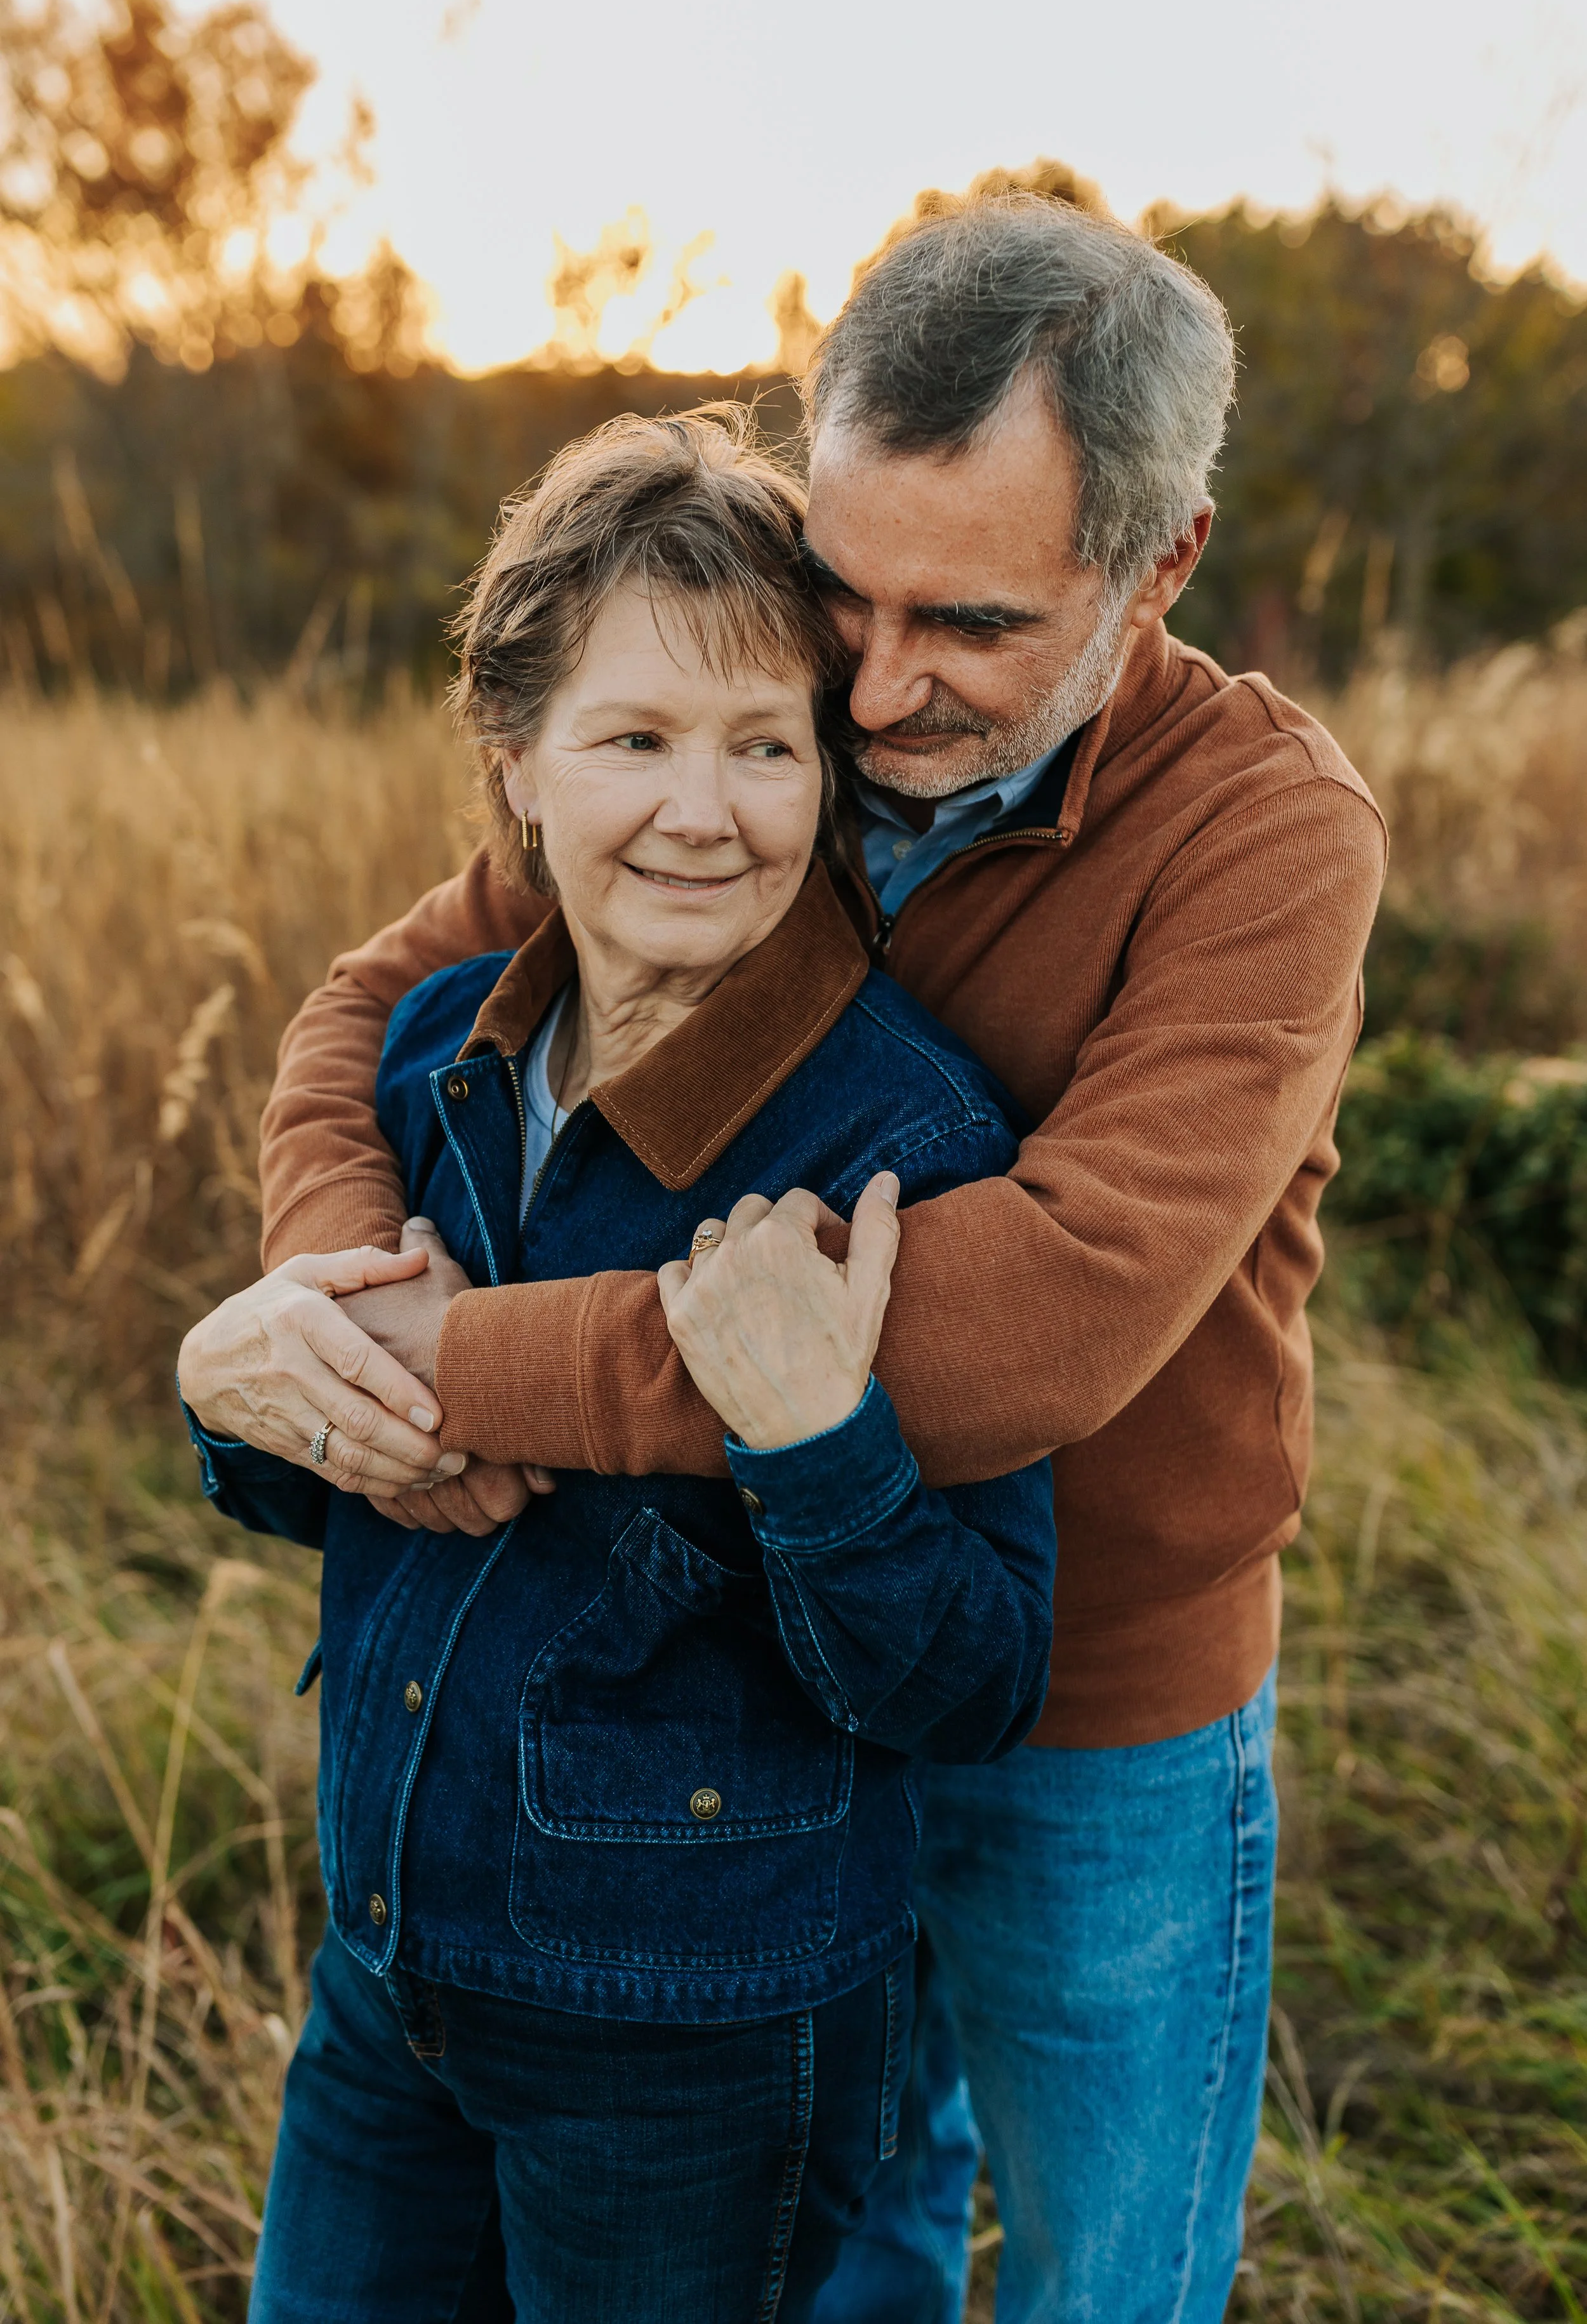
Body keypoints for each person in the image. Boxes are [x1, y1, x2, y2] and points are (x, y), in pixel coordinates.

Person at [230, 196, 1388, 2323]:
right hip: (753, 1705)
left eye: (959, 620)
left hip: (1093, 1704)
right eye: (838, 592)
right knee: (839, 2241)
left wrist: (441, 1375)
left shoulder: (1265, 836)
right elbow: (357, 1017)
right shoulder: (772, 735)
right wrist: (323, 1311)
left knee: (1097, 2279)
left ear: (1158, 567)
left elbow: (1023, 1321)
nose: (865, 682)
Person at [175, 412, 1057, 2322]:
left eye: (765, 746)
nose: (704, 809)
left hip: (694, 2046)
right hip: (390, 1972)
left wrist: (817, 1440)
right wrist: (240, 1389)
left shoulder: (893, 1144)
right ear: (516, 758)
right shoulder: (435, 1064)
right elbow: (301, 1476)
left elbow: (975, 1676)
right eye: (634, 738)